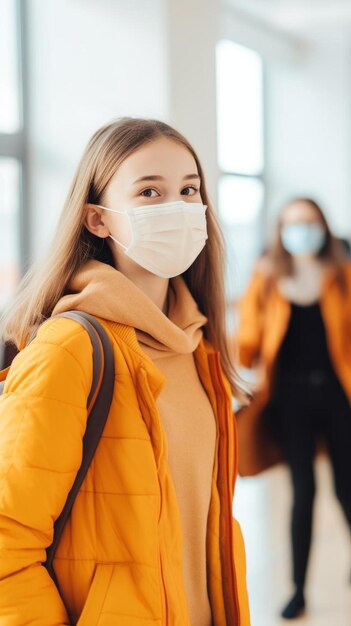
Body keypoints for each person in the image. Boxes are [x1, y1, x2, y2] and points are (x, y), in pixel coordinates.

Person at [0, 118, 250, 626]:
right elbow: (6, 543)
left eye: (188, 190)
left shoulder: (196, 346)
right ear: (98, 219)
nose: (176, 208)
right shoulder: (69, 350)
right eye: (149, 192)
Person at [236, 198, 351, 620]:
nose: (301, 230)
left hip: (339, 397)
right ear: (280, 231)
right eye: (292, 224)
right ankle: (299, 589)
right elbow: (248, 336)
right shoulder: (267, 277)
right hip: (289, 399)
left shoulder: (342, 274)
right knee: (303, 493)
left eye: (309, 222)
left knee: (346, 489)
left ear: (323, 225)